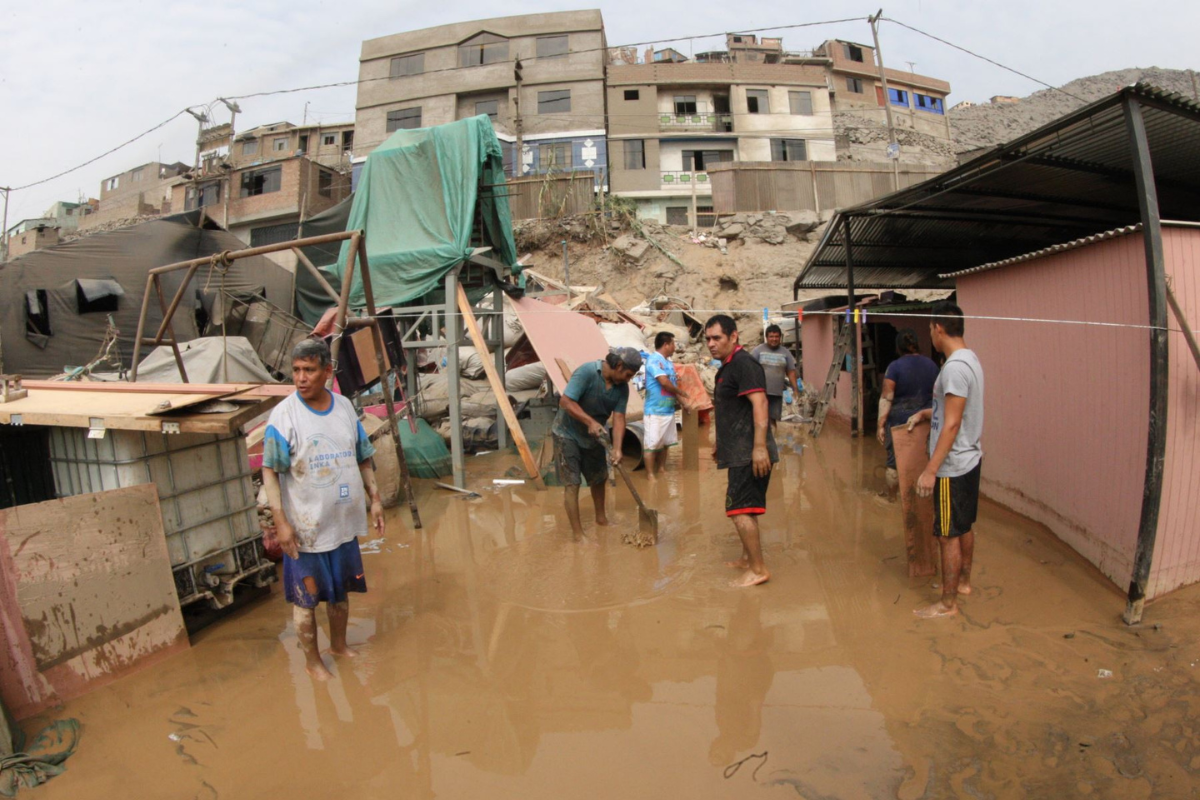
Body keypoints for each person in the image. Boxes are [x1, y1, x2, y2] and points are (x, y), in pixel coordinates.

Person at [261, 339, 387, 681]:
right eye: (297, 371)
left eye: (309, 370)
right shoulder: (284, 416)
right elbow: (270, 470)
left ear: (327, 372)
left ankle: (339, 645)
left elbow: (362, 455)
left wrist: (374, 498)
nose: (301, 378)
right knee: (306, 598)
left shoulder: (344, 407)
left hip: (343, 523)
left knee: (342, 592)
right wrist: (281, 522)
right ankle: (313, 662)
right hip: (305, 529)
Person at [907, 303, 985, 619]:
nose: (931, 336)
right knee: (963, 526)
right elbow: (954, 410)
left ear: (938, 328)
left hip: (952, 466)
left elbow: (952, 424)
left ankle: (947, 603)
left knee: (947, 533)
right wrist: (927, 412)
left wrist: (930, 469)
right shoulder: (971, 359)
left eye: (930, 330)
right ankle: (963, 583)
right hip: (971, 458)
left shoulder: (953, 367)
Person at [705, 315, 778, 588]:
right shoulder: (728, 367)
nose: (711, 344)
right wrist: (719, 444)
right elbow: (732, 411)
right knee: (747, 507)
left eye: (717, 338)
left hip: (750, 451)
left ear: (733, 336)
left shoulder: (743, 363)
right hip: (739, 449)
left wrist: (759, 448)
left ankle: (758, 569)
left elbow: (760, 405)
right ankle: (748, 559)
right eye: (708, 339)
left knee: (738, 510)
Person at [552, 348, 641, 542]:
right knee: (573, 482)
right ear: (618, 366)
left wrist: (617, 448)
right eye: (628, 375)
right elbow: (566, 402)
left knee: (599, 478)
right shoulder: (587, 372)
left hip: (595, 437)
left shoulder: (622, 389)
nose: (628, 379)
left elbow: (618, 418)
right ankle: (578, 535)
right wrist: (589, 421)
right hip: (567, 433)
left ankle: (601, 519)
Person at [876, 329, 940, 492]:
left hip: (899, 422)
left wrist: (880, 424)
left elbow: (887, 397)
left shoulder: (895, 367)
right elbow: (938, 396)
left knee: (893, 462)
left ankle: (892, 498)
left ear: (898, 347)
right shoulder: (932, 366)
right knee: (924, 458)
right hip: (926, 421)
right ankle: (922, 496)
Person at [643, 331, 682, 479]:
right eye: (673, 344)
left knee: (665, 443)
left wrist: (681, 401)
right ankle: (650, 475)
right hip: (655, 410)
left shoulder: (668, 363)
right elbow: (665, 383)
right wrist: (682, 393)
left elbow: (672, 384)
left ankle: (661, 469)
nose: (675, 347)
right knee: (652, 445)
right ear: (666, 345)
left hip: (668, 409)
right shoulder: (654, 360)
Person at [751, 324, 802, 426]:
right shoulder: (758, 351)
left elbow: (791, 372)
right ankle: (760, 440)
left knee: (774, 419)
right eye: (771, 337)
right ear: (766, 337)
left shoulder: (786, 353)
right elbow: (750, 369)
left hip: (777, 393)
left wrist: (795, 389)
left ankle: (773, 438)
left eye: (776, 337)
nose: (774, 339)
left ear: (780, 338)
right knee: (760, 419)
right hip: (761, 392)